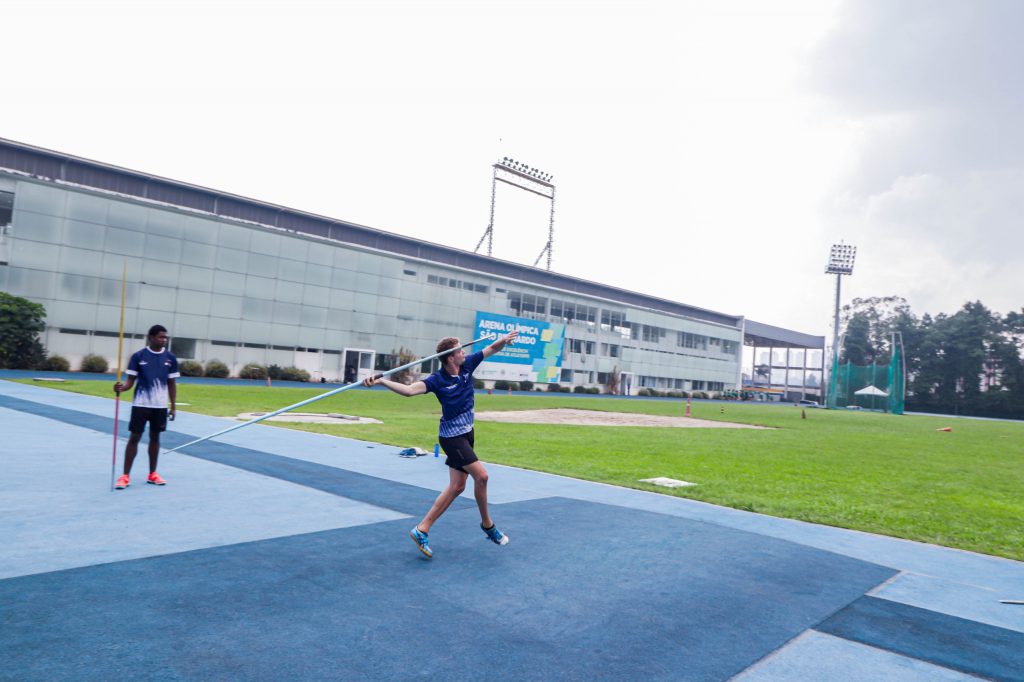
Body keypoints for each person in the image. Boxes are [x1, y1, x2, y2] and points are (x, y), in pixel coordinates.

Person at [363, 331, 519, 558]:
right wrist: (380, 380)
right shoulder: (437, 380)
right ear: (449, 357)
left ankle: (422, 529)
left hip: (467, 434)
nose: (464, 352)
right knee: (482, 477)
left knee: (457, 487)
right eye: (459, 350)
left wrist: (503, 341)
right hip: (451, 438)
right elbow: (408, 391)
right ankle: (488, 525)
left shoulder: (467, 365)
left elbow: (492, 348)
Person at [112, 324, 179, 489]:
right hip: (140, 405)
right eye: (160, 337)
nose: (164, 340)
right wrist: (121, 388)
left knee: (155, 438)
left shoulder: (170, 358)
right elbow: (129, 382)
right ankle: (125, 476)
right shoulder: (138, 356)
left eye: (165, 337)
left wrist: (173, 406)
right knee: (134, 438)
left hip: (160, 406)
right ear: (151, 337)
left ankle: (152, 474)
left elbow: (172, 384)